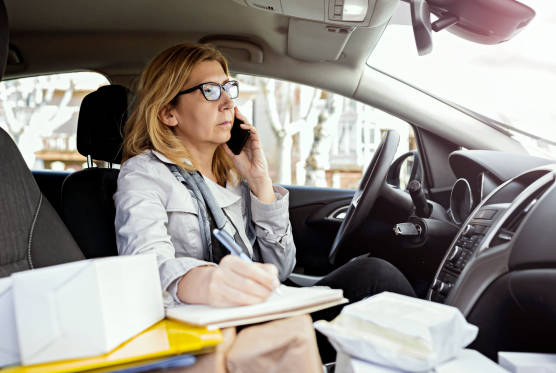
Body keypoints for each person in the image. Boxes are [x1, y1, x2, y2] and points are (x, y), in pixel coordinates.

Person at [114, 42, 415, 361]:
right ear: (168, 112)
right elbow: (144, 265)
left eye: (228, 88)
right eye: (210, 91)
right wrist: (207, 281)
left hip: (265, 307)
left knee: (371, 273)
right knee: (375, 278)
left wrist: (259, 182)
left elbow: (279, 268)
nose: (228, 101)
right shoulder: (145, 173)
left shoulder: (231, 171)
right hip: (220, 329)